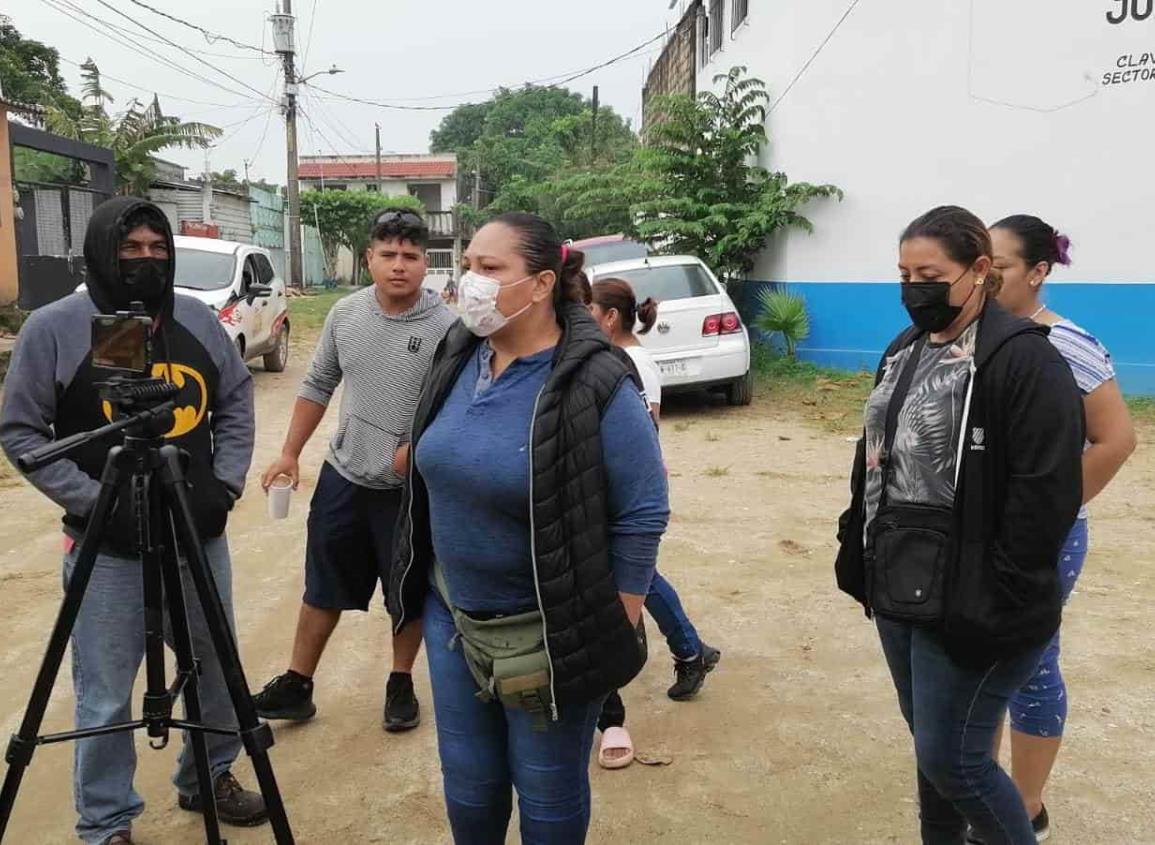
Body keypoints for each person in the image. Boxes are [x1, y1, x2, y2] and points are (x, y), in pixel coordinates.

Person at [389, 213, 670, 844]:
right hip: (454, 616)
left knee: (546, 794)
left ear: (541, 284)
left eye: (490, 269)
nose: (470, 281)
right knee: (469, 785)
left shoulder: (594, 380)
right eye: (467, 265)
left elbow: (642, 511)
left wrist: (609, 624)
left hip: (552, 630)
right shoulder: (459, 352)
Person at [0, 197, 265, 845]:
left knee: (217, 667)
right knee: (105, 694)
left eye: (156, 247)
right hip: (106, 547)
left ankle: (210, 774)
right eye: (130, 247)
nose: (146, 259)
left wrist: (223, 483)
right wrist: (96, 499)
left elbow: (234, 401)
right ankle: (107, 820)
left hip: (194, 535)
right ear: (100, 250)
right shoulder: (55, 328)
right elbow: (21, 430)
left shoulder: (196, 320)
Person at [834, 205, 1085, 845]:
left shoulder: (1025, 361)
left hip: (973, 596)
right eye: (903, 272)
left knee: (957, 758)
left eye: (929, 273)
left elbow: (1044, 499)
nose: (913, 287)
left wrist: (995, 591)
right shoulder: (904, 349)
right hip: (900, 583)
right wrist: (855, 548)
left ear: (979, 271)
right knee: (931, 749)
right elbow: (874, 455)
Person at [252, 208, 456, 731]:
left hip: (410, 490)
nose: (399, 266)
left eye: (411, 256)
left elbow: (459, 404)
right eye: (388, 254)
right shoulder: (345, 315)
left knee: (406, 592)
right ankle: (298, 683)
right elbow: (318, 383)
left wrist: (422, 443)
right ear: (368, 258)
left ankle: (400, 682)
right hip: (344, 476)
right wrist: (290, 451)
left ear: (424, 264)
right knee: (322, 583)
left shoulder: (449, 328)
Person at [978, 216, 1137, 842]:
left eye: (1003, 266)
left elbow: (1116, 439)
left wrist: (1047, 513)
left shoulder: (1066, 344)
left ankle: (1026, 808)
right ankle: (981, 790)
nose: (987, 276)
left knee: (1031, 663)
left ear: (1040, 272)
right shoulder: (971, 336)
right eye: (981, 264)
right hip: (976, 535)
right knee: (979, 660)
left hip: (1042, 539)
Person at [587, 277, 722, 769]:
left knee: (636, 577)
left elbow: (644, 430)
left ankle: (689, 650)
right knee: (641, 576)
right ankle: (691, 650)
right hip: (622, 488)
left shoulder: (632, 362)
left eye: (588, 310)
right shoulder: (627, 358)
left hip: (628, 490)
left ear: (610, 318)